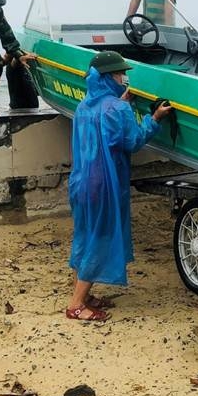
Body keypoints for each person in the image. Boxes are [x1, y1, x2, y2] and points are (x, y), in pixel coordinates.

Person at [65, 51, 172, 321]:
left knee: (85, 234)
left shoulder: (84, 105)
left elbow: (104, 123)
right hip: (104, 183)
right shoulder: (118, 108)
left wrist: (121, 103)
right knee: (101, 239)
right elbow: (132, 141)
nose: (123, 77)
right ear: (107, 77)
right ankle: (77, 304)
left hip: (80, 182)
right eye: (118, 73)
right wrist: (154, 119)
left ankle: (84, 294)